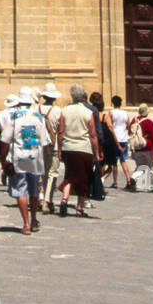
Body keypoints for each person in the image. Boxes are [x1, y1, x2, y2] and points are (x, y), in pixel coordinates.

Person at [3, 87, 48, 235]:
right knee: (34, 190)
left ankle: (26, 223)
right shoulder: (39, 116)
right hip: (35, 157)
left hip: (18, 157)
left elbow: (5, 139)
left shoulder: (14, 116)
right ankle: (34, 219)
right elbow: (45, 141)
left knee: (20, 190)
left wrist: (3, 159)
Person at [57, 83, 102, 218]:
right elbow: (93, 135)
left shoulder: (64, 111)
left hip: (68, 148)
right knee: (84, 178)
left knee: (69, 175)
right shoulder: (88, 112)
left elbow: (60, 132)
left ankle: (64, 200)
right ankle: (79, 208)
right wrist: (97, 152)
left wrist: (60, 149)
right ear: (83, 96)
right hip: (84, 149)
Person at [38, 83, 62, 213]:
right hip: (54, 145)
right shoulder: (58, 111)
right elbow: (61, 130)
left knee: (43, 173)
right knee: (53, 173)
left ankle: (45, 199)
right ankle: (47, 202)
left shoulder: (37, 109)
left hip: (40, 145)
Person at [130, 103, 153, 192]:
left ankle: (137, 180)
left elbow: (130, 132)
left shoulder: (134, 121)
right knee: (150, 167)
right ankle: (150, 186)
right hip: (148, 147)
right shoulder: (149, 122)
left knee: (140, 165)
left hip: (137, 147)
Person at [109, 94, 134, 189]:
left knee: (114, 162)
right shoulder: (125, 113)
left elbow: (109, 125)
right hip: (124, 138)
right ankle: (128, 180)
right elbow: (128, 125)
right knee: (123, 160)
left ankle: (115, 182)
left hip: (115, 138)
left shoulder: (111, 113)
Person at [0, 93, 19, 184]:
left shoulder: (3, 113)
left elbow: (0, 127)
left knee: (6, 157)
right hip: (15, 138)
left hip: (4, 138)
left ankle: (5, 171)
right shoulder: (18, 112)